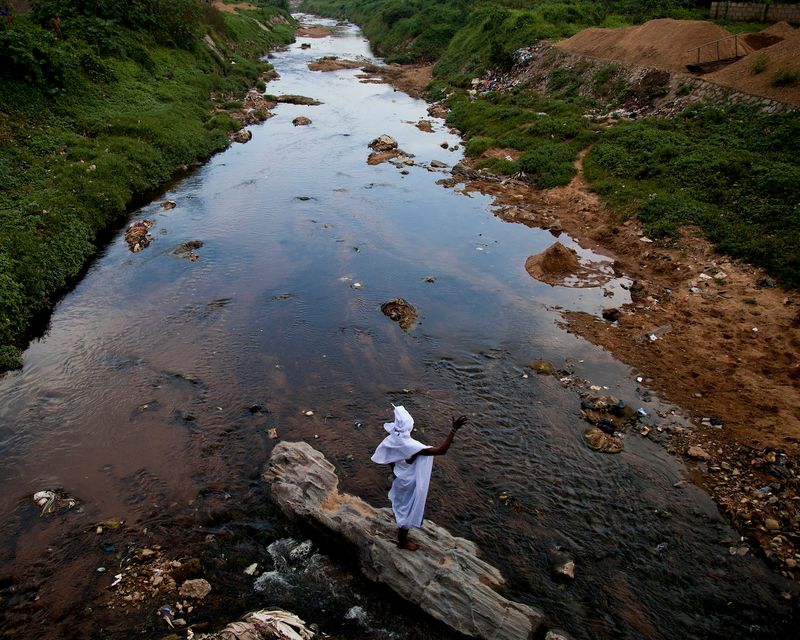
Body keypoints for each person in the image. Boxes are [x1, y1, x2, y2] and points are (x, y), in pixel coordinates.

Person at [371, 404, 468, 551]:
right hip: (409, 483)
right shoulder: (413, 447)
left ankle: (402, 533)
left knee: (401, 506)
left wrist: (399, 471)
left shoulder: (391, 440)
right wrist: (454, 429)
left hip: (399, 478)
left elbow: (389, 460)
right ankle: (402, 542)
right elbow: (441, 450)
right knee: (407, 511)